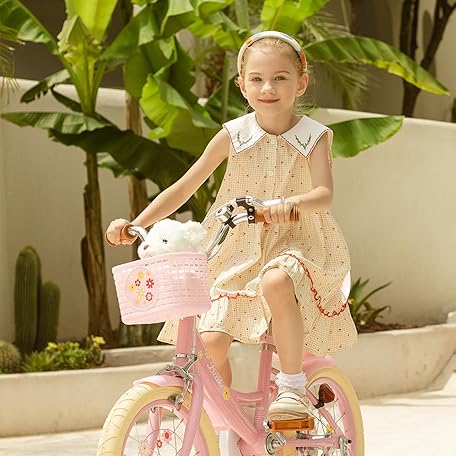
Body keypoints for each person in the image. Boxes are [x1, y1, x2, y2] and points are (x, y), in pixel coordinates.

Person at [106, 31, 357, 425]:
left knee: (277, 280)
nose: (267, 88)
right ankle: (222, 424)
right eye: (256, 79)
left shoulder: (313, 136)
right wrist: (137, 223)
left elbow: (323, 195)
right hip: (237, 246)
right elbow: (184, 187)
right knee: (209, 341)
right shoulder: (234, 134)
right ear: (242, 85)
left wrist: (281, 207)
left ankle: (291, 386)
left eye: (280, 78)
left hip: (298, 239)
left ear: (301, 83)